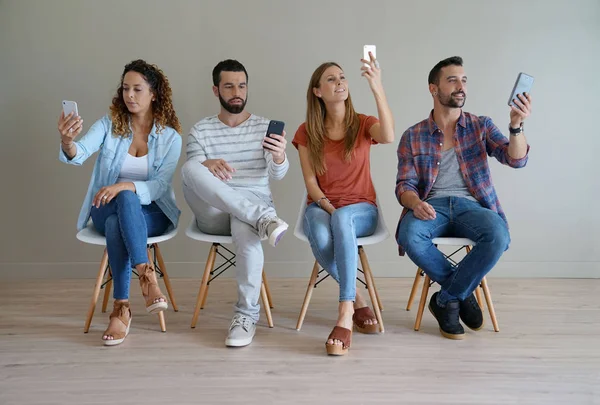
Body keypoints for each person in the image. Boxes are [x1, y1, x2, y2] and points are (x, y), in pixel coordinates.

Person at [396, 56, 532, 340]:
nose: (461, 86)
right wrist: (415, 203)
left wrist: (516, 126)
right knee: (409, 235)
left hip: (472, 207)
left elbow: (516, 159)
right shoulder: (413, 135)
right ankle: (463, 292)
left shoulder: (480, 126)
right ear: (434, 89)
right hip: (430, 207)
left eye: (464, 80)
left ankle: (446, 299)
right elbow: (404, 185)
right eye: (452, 80)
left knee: (499, 235)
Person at [58, 60, 182, 346]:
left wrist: (126, 185)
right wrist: (67, 142)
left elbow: (160, 186)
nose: (130, 95)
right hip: (104, 207)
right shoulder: (109, 124)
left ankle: (121, 308)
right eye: (126, 88)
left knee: (122, 214)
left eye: (138, 89)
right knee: (121, 205)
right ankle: (147, 278)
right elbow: (79, 152)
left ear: (154, 94)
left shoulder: (170, 138)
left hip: (152, 212)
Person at [181, 59, 289, 348]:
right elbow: (194, 175)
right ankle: (262, 218)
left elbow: (277, 175)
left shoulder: (265, 127)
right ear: (216, 90)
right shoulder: (200, 130)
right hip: (213, 210)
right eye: (229, 86)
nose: (237, 91)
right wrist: (206, 163)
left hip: (251, 203)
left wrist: (279, 156)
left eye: (242, 85)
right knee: (189, 168)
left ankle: (245, 316)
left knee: (247, 233)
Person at [292, 53, 394, 356]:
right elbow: (310, 181)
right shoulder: (306, 131)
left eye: (342, 77)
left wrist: (377, 86)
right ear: (317, 92)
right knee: (322, 235)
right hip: (321, 207)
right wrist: (330, 209)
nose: (340, 82)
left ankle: (344, 314)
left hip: (362, 210)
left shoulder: (363, 123)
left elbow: (388, 136)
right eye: (331, 79)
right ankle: (359, 300)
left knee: (343, 221)